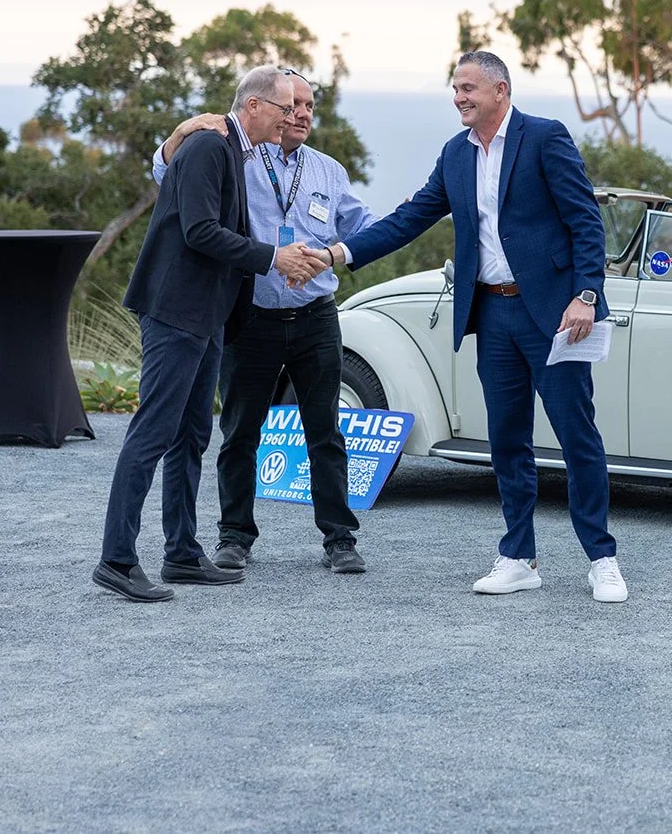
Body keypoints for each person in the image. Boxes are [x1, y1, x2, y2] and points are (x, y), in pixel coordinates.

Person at [319, 51, 628, 602]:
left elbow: (586, 222)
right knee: (506, 439)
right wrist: (338, 252)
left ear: (500, 90)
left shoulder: (545, 137)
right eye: (455, 89)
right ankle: (518, 557)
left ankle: (602, 558)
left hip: (557, 315)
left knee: (577, 434)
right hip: (493, 313)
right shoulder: (455, 154)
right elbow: (410, 218)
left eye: (468, 88)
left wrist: (586, 295)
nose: (459, 98)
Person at [94, 66, 326, 602]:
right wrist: (273, 257)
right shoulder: (208, 147)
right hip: (177, 312)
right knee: (153, 432)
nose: (292, 117)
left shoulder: (234, 151)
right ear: (253, 106)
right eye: (285, 107)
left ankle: (181, 554)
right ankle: (116, 559)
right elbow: (199, 231)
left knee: (192, 434)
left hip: (206, 316)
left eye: (298, 108)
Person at [153, 68, 376, 575]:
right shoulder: (238, 155)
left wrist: (401, 220)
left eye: (309, 106)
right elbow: (166, 176)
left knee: (325, 432)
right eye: (292, 104)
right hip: (251, 318)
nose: (301, 113)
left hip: (316, 317)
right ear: (268, 107)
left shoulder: (329, 171)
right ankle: (234, 537)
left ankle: (340, 539)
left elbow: (363, 227)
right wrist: (180, 133)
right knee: (239, 433)